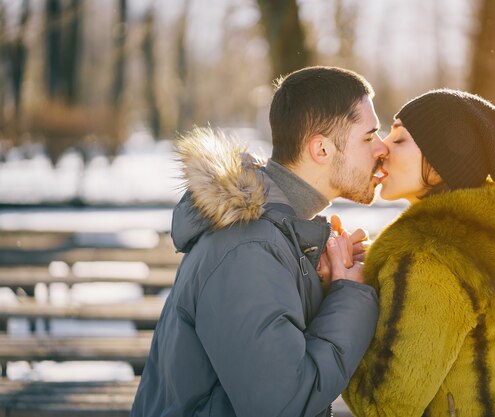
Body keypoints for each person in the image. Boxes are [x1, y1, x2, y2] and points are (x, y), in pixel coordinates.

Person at [130, 66, 388, 417]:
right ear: (322, 149)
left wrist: (321, 285)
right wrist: (349, 297)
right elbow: (281, 406)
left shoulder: (276, 238)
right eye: (369, 136)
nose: (382, 148)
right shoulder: (248, 249)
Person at [342, 89, 495, 416]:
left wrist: (341, 303)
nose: (382, 148)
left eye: (400, 139)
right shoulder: (490, 240)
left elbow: (385, 408)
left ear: (440, 162)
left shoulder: (430, 260)